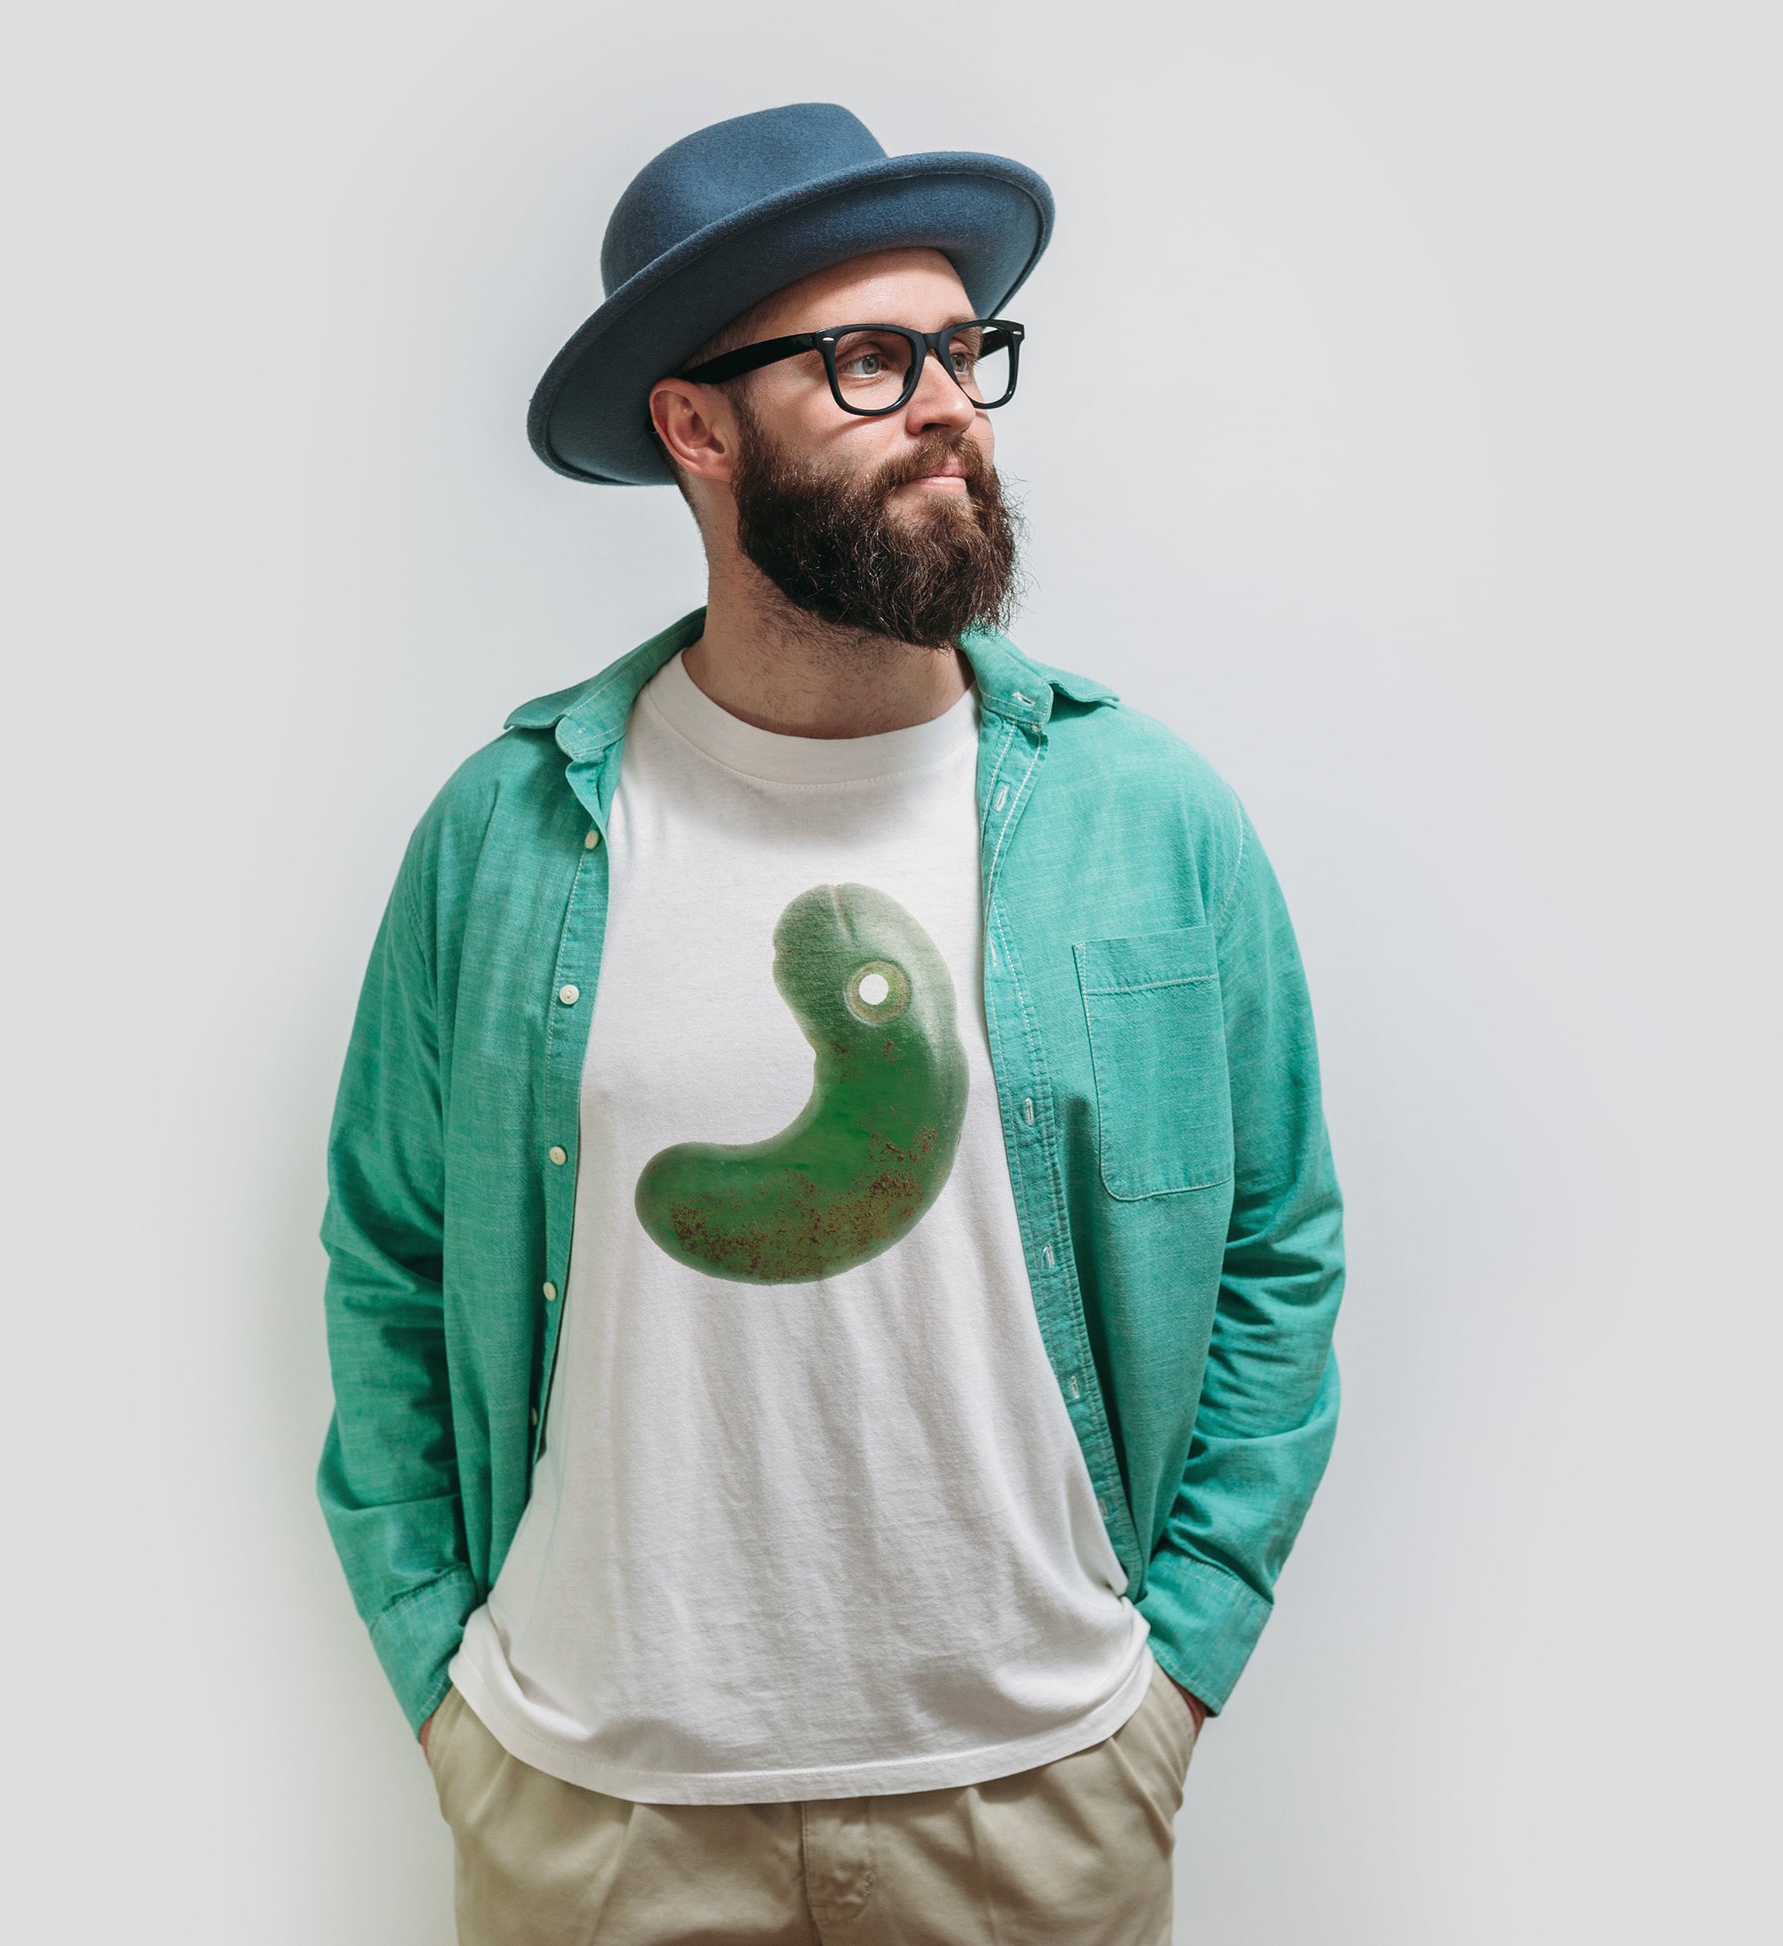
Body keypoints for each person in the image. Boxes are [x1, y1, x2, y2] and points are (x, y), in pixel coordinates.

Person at [316, 101, 1346, 1946]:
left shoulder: (1151, 819)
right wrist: (442, 1683)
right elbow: (389, 1258)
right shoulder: (506, 835)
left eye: (963, 350)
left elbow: (1276, 1242)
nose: (948, 405)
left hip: (1040, 1790)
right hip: (596, 1803)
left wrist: (1176, 1670)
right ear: (696, 426)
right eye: (870, 360)